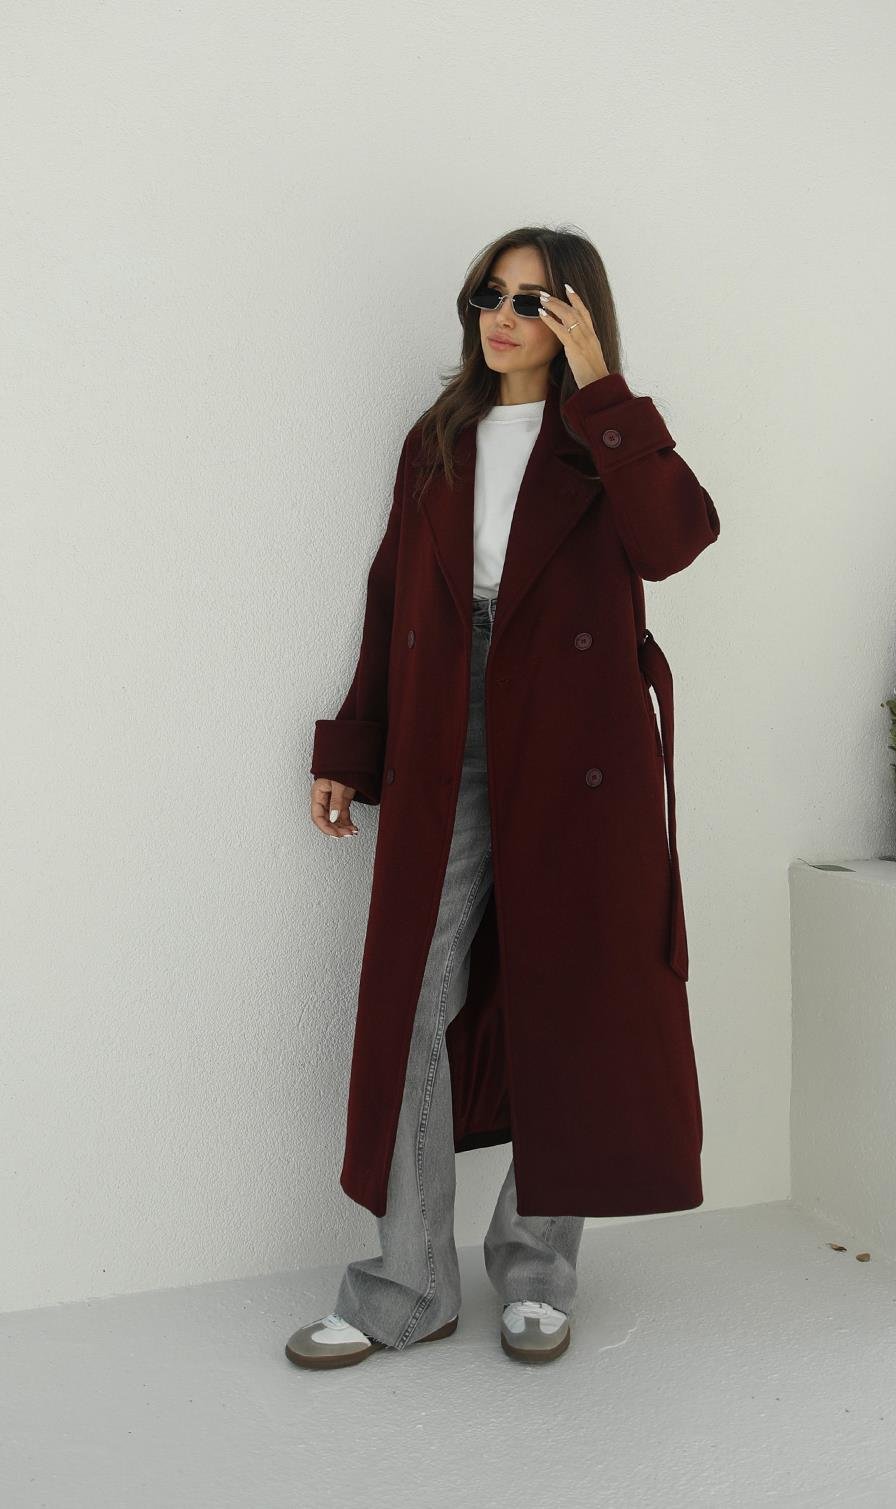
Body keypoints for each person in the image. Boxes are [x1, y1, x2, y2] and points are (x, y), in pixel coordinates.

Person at [286, 225, 717, 1370]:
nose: (504, 316)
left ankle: (536, 1270)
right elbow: (392, 596)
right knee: (413, 996)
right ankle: (408, 1285)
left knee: (567, 996)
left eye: (533, 299)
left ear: (577, 317)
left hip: (574, 737)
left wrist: (603, 391)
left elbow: (674, 542)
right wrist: (353, 743)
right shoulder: (438, 438)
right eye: (492, 293)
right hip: (445, 726)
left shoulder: (605, 439)